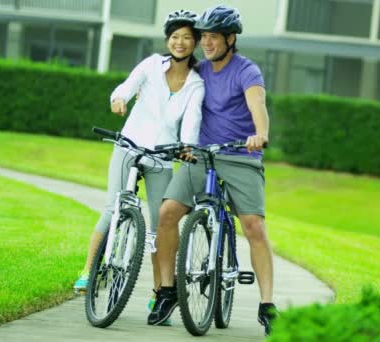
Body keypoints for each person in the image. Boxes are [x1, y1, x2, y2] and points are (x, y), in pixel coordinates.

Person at [147, 5, 278, 335]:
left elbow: (257, 105)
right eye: (203, 37)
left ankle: (266, 306)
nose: (206, 43)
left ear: (230, 39)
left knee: (253, 226)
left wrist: (260, 135)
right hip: (201, 156)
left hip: (240, 157)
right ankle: (166, 292)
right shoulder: (198, 71)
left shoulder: (247, 71)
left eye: (213, 37)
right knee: (166, 213)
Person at [73, 9, 204, 326]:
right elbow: (125, 88)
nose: (180, 42)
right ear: (167, 40)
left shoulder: (196, 84)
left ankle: (160, 292)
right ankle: (89, 270)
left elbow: (191, 123)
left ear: (195, 42)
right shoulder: (150, 65)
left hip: (162, 156)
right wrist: (118, 99)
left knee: (160, 225)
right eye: (175, 37)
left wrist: (186, 147)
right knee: (113, 207)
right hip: (129, 146)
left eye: (187, 37)